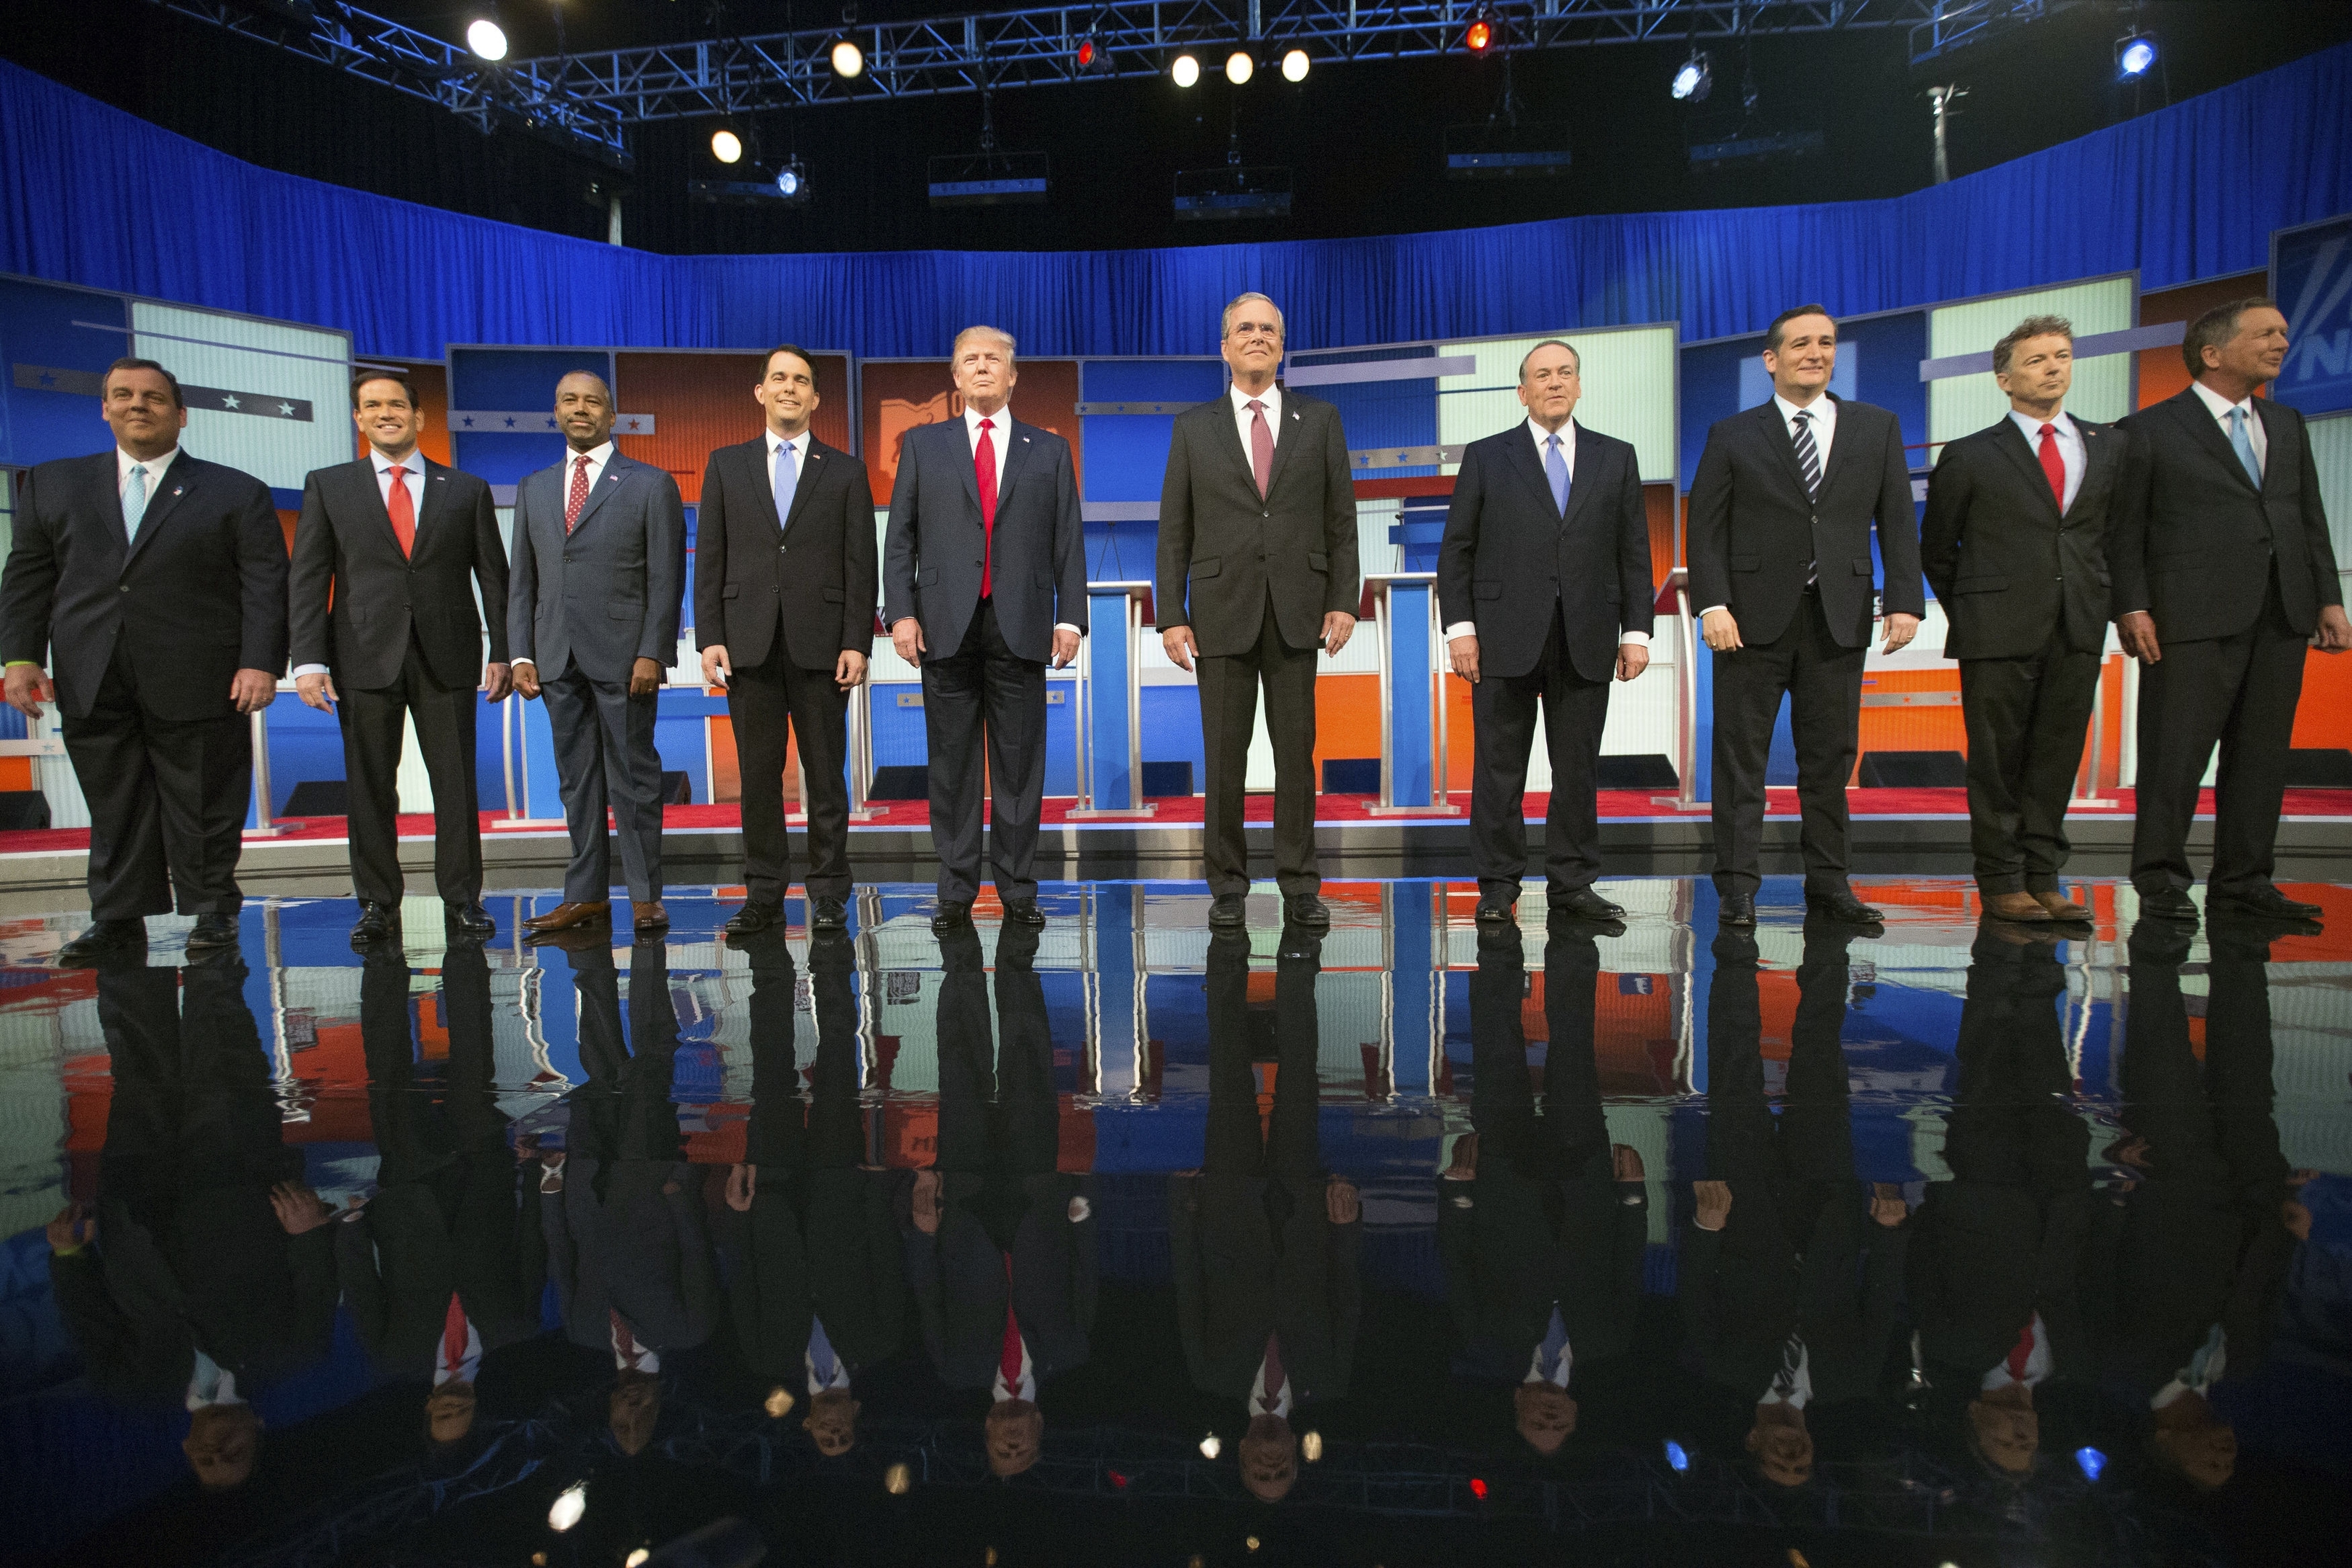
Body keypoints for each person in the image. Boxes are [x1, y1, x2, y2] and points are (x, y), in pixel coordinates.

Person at [0, 358, 286, 964]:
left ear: (179, 416)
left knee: (205, 798)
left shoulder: (235, 490)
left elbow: (264, 585)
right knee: (114, 802)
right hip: (91, 671)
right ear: (104, 408)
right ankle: (119, 919)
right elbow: (27, 577)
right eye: (123, 395)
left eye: (154, 397)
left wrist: (260, 661)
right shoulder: (53, 483)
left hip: (202, 675)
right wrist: (20, 657)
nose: (138, 405)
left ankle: (212, 912)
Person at [45, 954, 336, 1487]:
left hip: (137, 1203)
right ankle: (210, 938)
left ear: (186, 1447)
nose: (218, 1449)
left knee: (138, 1071)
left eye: (207, 1459)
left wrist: (69, 1256)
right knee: (220, 1062)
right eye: (235, 1454)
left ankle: (127, 941)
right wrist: (309, 1232)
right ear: (260, 1428)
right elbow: (316, 1280)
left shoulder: (132, 1384)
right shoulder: (294, 1354)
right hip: (238, 1185)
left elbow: (88, 1318)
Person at [2112, 298, 2350, 925]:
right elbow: (2124, 531)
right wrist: (2131, 606)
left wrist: (2328, 596)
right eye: (2267, 333)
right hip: (2188, 620)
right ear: (2213, 353)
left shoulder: (2288, 423)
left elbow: (2307, 519)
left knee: (2262, 757)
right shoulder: (2148, 430)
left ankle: (2245, 883)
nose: (2281, 342)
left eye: (2283, 332)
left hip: (2282, 614)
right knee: (2174, 757)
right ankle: (2160, 882)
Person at [1687, 305, 1924, 928]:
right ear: (1772, 359)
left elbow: (1898, 518)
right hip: (1748, 623)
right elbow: (1705, 530)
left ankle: (1830, 885)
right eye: (1800, 344)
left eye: (1826, 343)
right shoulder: (1732, 434)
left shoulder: (1876, 427)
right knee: (1741, 761)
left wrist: (1905, 598)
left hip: (1839, 617)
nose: (1815, 353)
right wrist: (1712, 604)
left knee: (1830, 759)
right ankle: (1737, 888)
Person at [1156, 293, 1361, 931]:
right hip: (1220, 612)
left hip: (1301, 611)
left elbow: (1342, 521)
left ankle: (1300, 883)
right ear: (1225, 347)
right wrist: (1171, 614)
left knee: (1296, 755)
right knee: (1225, 757)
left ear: (1281, 344)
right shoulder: (1193, 427)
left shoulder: (1320, 420)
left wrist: (1343, 601)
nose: (1256, 337)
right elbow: (1174, 531)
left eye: (1268, 329)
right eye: (1244, 329)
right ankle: (1228, 885)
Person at [1682, 922, 1909, 1487]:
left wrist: (1708, 1228)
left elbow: (1696, 1289)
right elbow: (1880, 1301)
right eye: (1801, 1462)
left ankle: (1734, 938)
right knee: (1821, 1063)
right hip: (1827, 1211)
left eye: (1778, 1461)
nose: (1792, 1453)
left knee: (1735, 1066)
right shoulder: (1850, 1380)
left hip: (1744, 1212)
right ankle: (1829, 944)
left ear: (1753, 1443)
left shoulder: (1725, 1371)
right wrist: (1887, 1230)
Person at [288, 371, 510, 947]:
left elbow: (494, 577)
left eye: (396, 405)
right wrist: (307, 658)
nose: (385, 413)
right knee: (368, 787)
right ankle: (377, 905)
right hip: (361, 656)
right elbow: (310, 577)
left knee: (456, 785)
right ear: (358, 419)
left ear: (419, 416)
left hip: (448, 655)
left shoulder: (466, 489)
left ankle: (463, 900)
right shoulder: (329, 486)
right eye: (371, 406)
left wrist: (507, 651)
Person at [1437, 339, 1656, 926]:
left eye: (1565, 373)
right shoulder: (1487, 456)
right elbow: (1457, 550)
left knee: (1578, 769)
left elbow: (1634, 552)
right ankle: (1498, 886)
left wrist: (1637, 632)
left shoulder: (1617, 457)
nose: (1555, 382)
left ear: (1579, 385)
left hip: (1586, 634)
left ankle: (1573, 885)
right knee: (1498, 770)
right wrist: (1461, 630)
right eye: (1542, 374)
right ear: (1523, 391)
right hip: (1502, 636)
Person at [1922, 317, 2131, 925]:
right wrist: (1975, 609)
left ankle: (2044, 876)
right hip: (1995, 630)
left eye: (2062, 356)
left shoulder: (2107, 445)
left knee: (2056, 757)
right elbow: (1938, 549)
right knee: (1997, 763)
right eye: (2037, 359)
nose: (2052, 367)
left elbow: (2114, 538)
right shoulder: (1969, 455)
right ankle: (2002, 880)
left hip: (2078, 625)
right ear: (2003, 377)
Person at [881, 327, 1087, 935]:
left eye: (993, 360)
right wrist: (901, 613)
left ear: (1013, 374)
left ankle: (1019, 889)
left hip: (1022, 624)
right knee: (951, 766)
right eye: (969, 360)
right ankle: (955, 891)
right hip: (944, 626)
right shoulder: (922, 445)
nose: (981, 368)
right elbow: (901, 541)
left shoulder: (1048, 450)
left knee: (1021, 768)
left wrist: (1070, 617)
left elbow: (1067, 540)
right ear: (955, 376)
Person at [1440, 926, 1648, 1457]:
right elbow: (1628, 1264)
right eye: (1561, 1428)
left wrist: (1460, 1195)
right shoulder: (1610, 1343)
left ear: (1517, 1407)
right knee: (1575, 1049)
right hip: (1585, 1185)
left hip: (1503, 1186)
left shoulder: (1486, 1343)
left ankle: (1494, 937)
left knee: (1497, 1052)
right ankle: (1572, 938)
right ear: (1576, 1415)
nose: (1551, 1419)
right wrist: (1632, 1197)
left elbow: (1457, 1265)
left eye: (1539, 1426)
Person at [1169, 927, 1360, 1500]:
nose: (1272, 1462)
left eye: (1261, 1471)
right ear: (1295, 1462)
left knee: (1229, 1075)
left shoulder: (1212, 1377)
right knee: (1299, 1075)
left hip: (1227, 1212)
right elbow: (1346, 1294)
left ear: (1244, 1456)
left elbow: (1188, 1290)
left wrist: (1181, 1211)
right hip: (1303, 1217)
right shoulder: (1328, 1380)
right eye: (1282, 1472)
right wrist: (1347, 1228)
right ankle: (1299, 953)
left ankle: (1225, 950)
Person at [695, 346, 877, 937]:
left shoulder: (846, 471)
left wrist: (858, 640)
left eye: (801, 380)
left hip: (824, 646)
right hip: (748, 644)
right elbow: (711, 560)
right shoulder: (725, 465)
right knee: (758, 779)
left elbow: (860, 564)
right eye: (779, 378)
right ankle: (764, 895)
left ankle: (828, 894)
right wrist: (710, 638)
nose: (790, 388)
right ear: (760, 391)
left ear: (816, 397)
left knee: (826, 777)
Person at [905, 923, 1097, 1477]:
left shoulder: (956, 1369)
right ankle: (1018, 945)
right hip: (1036, 1191)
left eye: (1001, 1450)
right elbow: (1086, 1267)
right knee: (1027, 1057)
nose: (1012, 1443)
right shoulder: (1070, 1352)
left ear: (987, 1433)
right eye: (1022, 1450)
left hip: (965, 1202)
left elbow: (927, 1289)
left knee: (958, 1064)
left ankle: (958, 949)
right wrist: (1084, 1188)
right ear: (1038, 1431)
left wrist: (922, 1224)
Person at [333, 943, 544, 1445]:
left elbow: (362, 1289)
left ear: (427, 1410)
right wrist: (534, 1177)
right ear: (476, 1410)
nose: (451, 1408)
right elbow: (532, 1248)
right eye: (460, 1417)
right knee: (475, 1056)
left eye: (441, 1417)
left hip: (408, 1195)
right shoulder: (515, 1329)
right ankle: (465, 946)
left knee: (388, 1071)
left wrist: (351, 1226)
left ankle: (382, 960)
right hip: (484, 1176)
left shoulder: (393, 1356)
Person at [1906, 923, 2094, 1478]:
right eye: (2027, 1447)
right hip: (2060, 1187)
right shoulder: (2075, 1361)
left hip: (1983, 1186)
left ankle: (1999, 930)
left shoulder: (1948, 1346)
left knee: (1986, 1049)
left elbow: (1923, 1263)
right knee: (2042, 1047)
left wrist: (1950, 1201)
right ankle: (2040, 944)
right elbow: (2097, 1280)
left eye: (2006, 1444)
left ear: (1974, 1417)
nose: (2022, 1437)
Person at [508, 371, 687, 939]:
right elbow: (523, 582)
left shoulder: (649, 483)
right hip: (556, 656)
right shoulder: (534, 487)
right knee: (575, 783)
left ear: (613, 417)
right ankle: (583, 897)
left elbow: (666, 577)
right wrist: (519, 654)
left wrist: (653, 652)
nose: (580, 409)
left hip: (624, 658)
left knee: (633, 780)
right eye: (569, 400)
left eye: (592, 402)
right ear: (556, 413)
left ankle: (644, 897)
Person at [720, 928, 902, 1456]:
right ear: (857, 1415)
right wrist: (872, 1190)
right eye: (845, 1435)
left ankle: (769, 961)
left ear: (805, 1425)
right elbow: (885, 1258)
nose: (834, 1429)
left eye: (827, 1437)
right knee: (837, 1060)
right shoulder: (878, 1341)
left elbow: (743, 1275)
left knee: (769, 1067)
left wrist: (737, 1215)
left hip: (772, 1198)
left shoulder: (764, 1354)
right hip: (838, 1187)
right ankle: (830, 954)